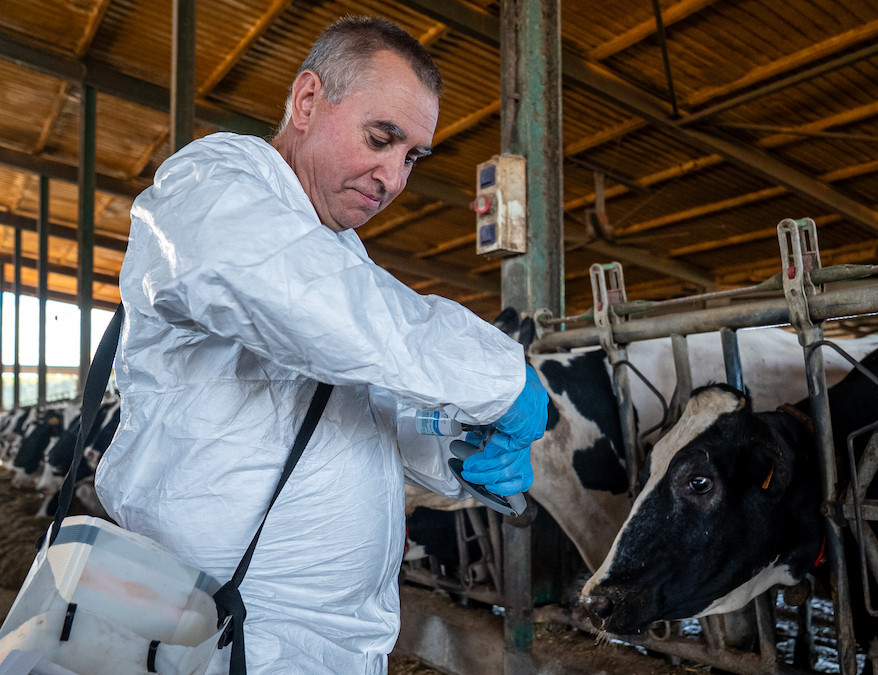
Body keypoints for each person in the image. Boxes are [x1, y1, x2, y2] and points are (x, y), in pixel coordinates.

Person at [95, 15, 547, 674]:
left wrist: (449, 452)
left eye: (411, 157)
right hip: (218, 629)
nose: (393, 178)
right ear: (308, 101)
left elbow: (347, 411)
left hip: (323, 639)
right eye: (381, 138)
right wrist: (499, 374)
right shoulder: (214, 184)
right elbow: (302, 298)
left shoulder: (337, 253)